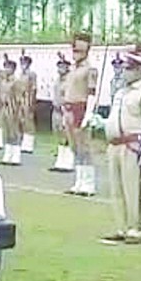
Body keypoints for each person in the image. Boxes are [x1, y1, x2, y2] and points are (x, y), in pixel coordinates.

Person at [88, 46, 141, 245]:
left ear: (140, 70)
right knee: (117, 189)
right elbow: (116, 117)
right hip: (115, 144)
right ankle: (122, 227)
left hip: (132, 145)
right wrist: (101, 123)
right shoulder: (122, 92)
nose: (125, 72)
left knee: (133, 189)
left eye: (129, 68)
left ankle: (135, 228)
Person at [63, 33, 99, 196]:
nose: (75, 53)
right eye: (74, 49)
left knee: (84, 147)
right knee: (74, 147)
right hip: (69, 109)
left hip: (81, 108)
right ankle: (79, 181)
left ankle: (89, 183)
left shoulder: (89, 69)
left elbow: (92, 93)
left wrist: (89, 113)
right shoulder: (72, 69)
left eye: (78, 50)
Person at [50, 52, 74, 172]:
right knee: (59, 136)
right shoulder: (57, 80)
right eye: (59, 66)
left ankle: (68, 162)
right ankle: (60, 161)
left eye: (63, 66)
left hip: (65, 111)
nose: (60, 69)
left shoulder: (70, 81)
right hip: (56, 110)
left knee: (67, 136)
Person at [0, 55, 22, 165]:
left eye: (9, 67)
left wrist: (17, 110)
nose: (6, 70)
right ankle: (7, 154)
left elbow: (18, 97)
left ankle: (16, 155)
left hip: (12, 107)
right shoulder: (3, 81)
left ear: (13, 69)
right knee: (6, 131)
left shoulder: (16, 81)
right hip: (3, 107)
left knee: (14, 131)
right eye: (5, 67)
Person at [18, 51, 38, 154]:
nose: (23, 65)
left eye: (24, 63)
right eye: (21, 63)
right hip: (20, 98)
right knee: (21, 120)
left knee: (28, 121)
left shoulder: (32, 74)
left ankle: (29, 144)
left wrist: (31, 102)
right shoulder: (21, 74)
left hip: (27, 98)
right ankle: (22, 141)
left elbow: (34, 89)